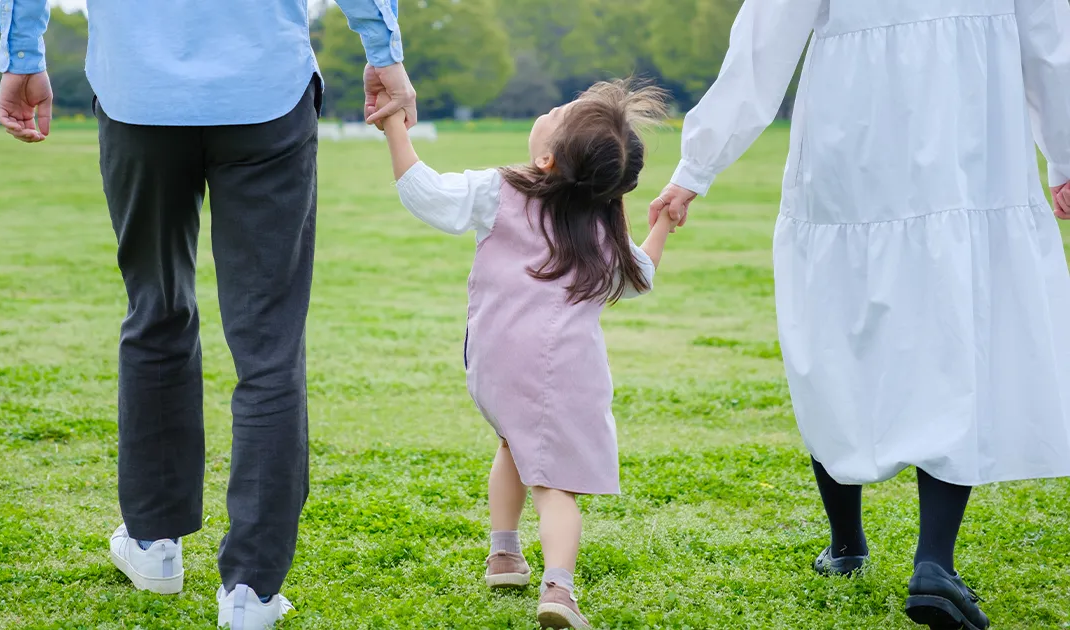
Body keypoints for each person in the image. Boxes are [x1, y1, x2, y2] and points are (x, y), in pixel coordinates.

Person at [0, 1, 418, 627]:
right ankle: (251, 593)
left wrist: (22, 55)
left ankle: (154, 543)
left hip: (139, 94)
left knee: (156, 311)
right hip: (264, 95)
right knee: (269, 344)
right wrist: (384, 53)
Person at [649, 1, 1070, 628]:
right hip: (968, 137)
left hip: (851, 137)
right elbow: (1050, 44)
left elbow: (762, 47)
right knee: (951, 332)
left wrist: (696, 168)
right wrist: (1063, 157)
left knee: (834, 326)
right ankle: (934, 561)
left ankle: (847, 546)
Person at [376, 80, 674, 630]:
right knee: (554, 483)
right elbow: (640, 278)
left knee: (515, 442)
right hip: (566, 369)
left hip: (493, 361)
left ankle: (504, 554)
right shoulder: (602, 225)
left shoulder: (499, 190)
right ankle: (559, 589)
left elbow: (426, 193)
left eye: (556, 113)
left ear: (547, 155)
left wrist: (394, 126)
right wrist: (659, 228)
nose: (550, 109)